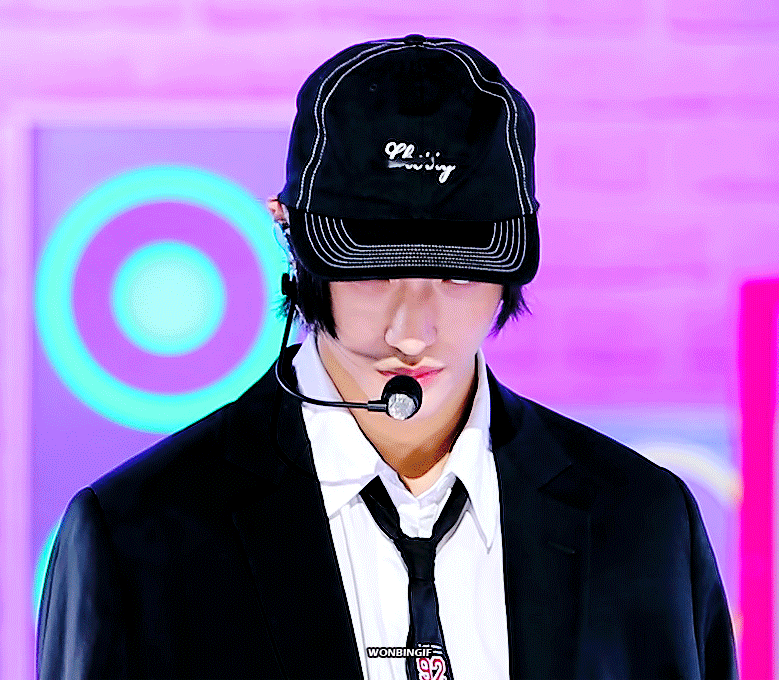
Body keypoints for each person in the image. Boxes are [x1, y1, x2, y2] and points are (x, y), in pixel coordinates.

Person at [37, 35, 737, 680]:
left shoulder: (643, 525)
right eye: (373, 270)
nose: (412, 332)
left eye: (458, 273)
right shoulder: (137, 539)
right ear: (291, 239)